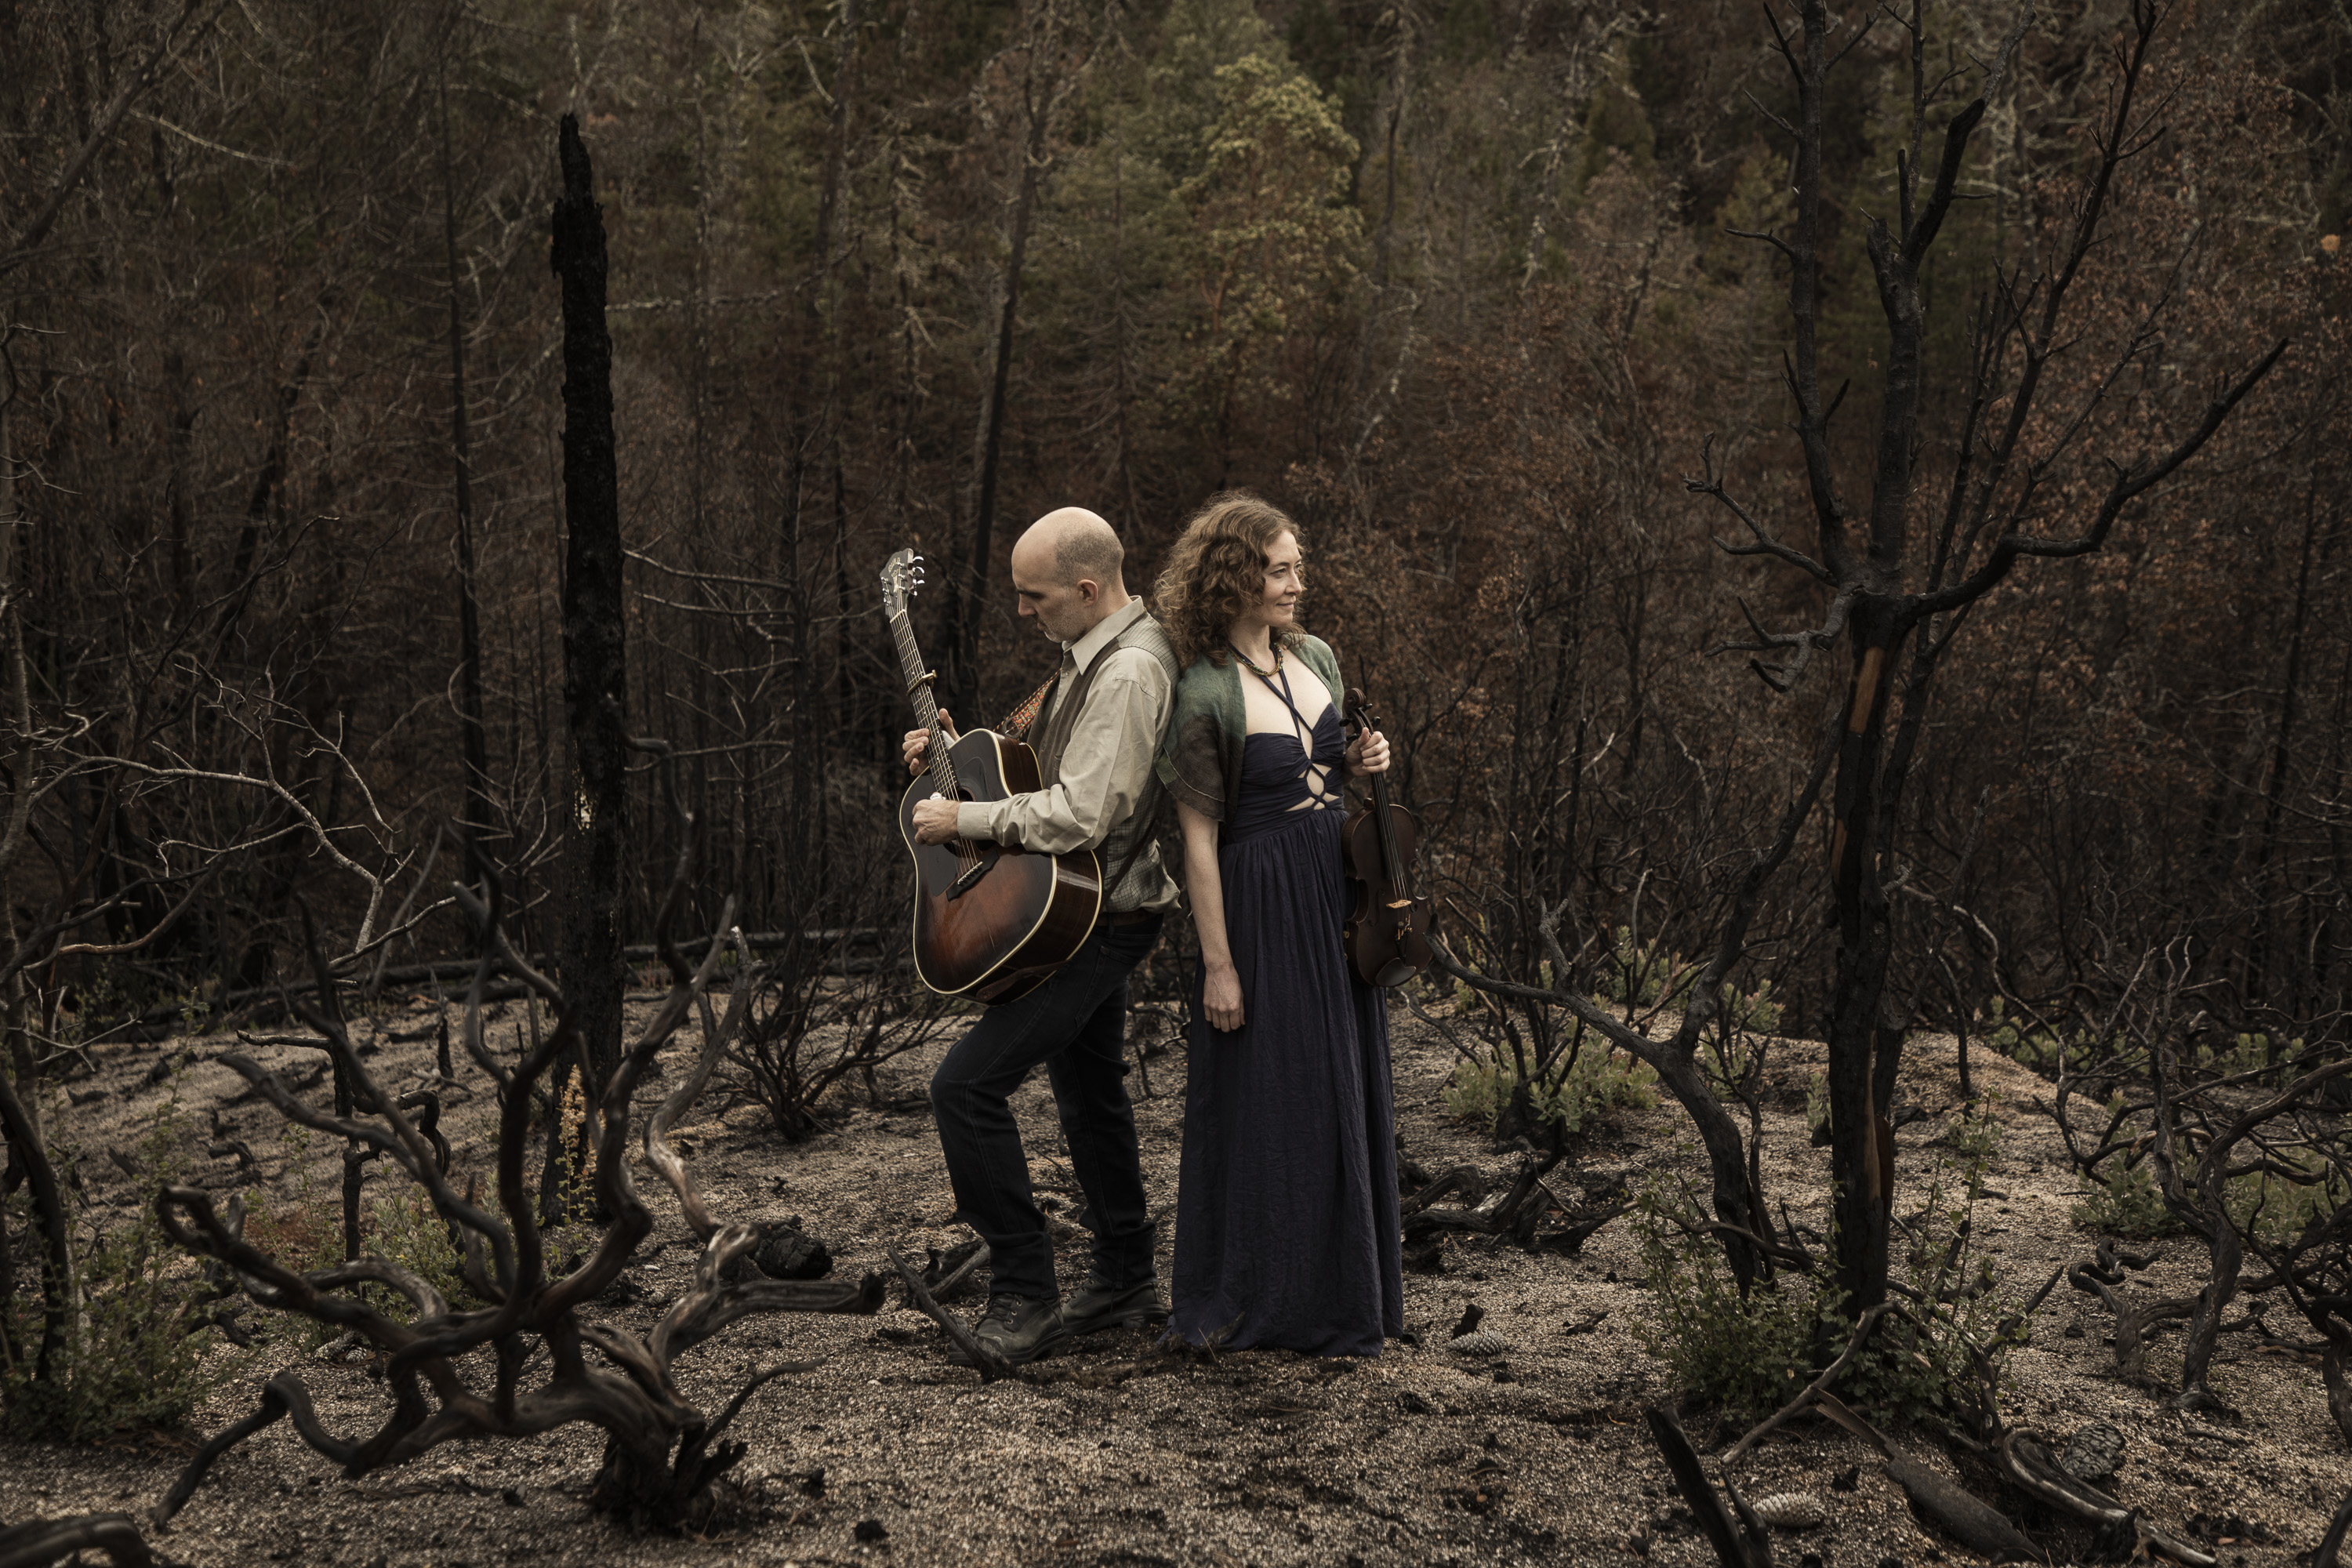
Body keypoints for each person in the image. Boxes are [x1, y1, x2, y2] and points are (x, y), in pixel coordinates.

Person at [902, 506, 1180, 1365]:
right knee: (1089, 1093)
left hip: (1105, 917)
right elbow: (1051, 773)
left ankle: (1025, 1290)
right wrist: (952, 753)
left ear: (1088, 589)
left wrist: (962, 814)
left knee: (965, 1086)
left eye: (1036, 596)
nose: (1024, 610)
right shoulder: (1086, 658)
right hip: (1085, 910)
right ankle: (1128, 1272)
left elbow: (1084, 812)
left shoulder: (1130, 670)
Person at [1152, 492, 1403, 1356]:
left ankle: (1348, 1294)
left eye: (1299, 564)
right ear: (1235, 577)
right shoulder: (1204, 692)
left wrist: (1365, 755)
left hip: (1334, 897)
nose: (1300, 581)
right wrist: (1219, 966)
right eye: (1281, 567)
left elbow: (1333, 771)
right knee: (1274, 1098)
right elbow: (1197, 843)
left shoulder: (1319, 658)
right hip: (1258, 907)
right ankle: (1269, 1297)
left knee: (1341, 1084)